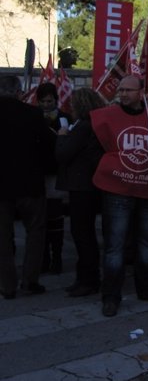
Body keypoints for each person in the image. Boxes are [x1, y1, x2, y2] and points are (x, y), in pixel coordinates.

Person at [91, 75, 148, 317]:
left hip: (147, 187)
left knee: (146, 242)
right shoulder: (107, 116)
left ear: (141, 93)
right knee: (115, 245)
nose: (123, 94)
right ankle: (111, 296)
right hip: (117, 189)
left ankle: (146, 288)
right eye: (121, 90)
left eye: (128, 90)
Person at [0, 74, 55, 298]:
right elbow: (48, 146)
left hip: (1, 187)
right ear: (19, 91)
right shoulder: (33, 114)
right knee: (36, 232)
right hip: (30, 183)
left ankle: (6, 285)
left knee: (2, 237)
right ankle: (30, 281)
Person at [55, 88, 106, 297]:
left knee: (82, 233)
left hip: (82, 186)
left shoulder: (83, 127)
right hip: (90, 185)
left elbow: (63, 154)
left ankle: (88, 279)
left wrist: (62, 136)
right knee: (84, 233)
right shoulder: (95, 125)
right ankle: (85, 277)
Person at [36, 82, 69, 274]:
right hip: (39, 173)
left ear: (56, 101)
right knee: (41, 219)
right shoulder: (34, 118)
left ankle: (57, 256)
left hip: (56, 174)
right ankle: (44, 257)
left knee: (56, 218)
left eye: (49, 101)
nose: (46, 105)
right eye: (43, 101)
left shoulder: (64, 118)